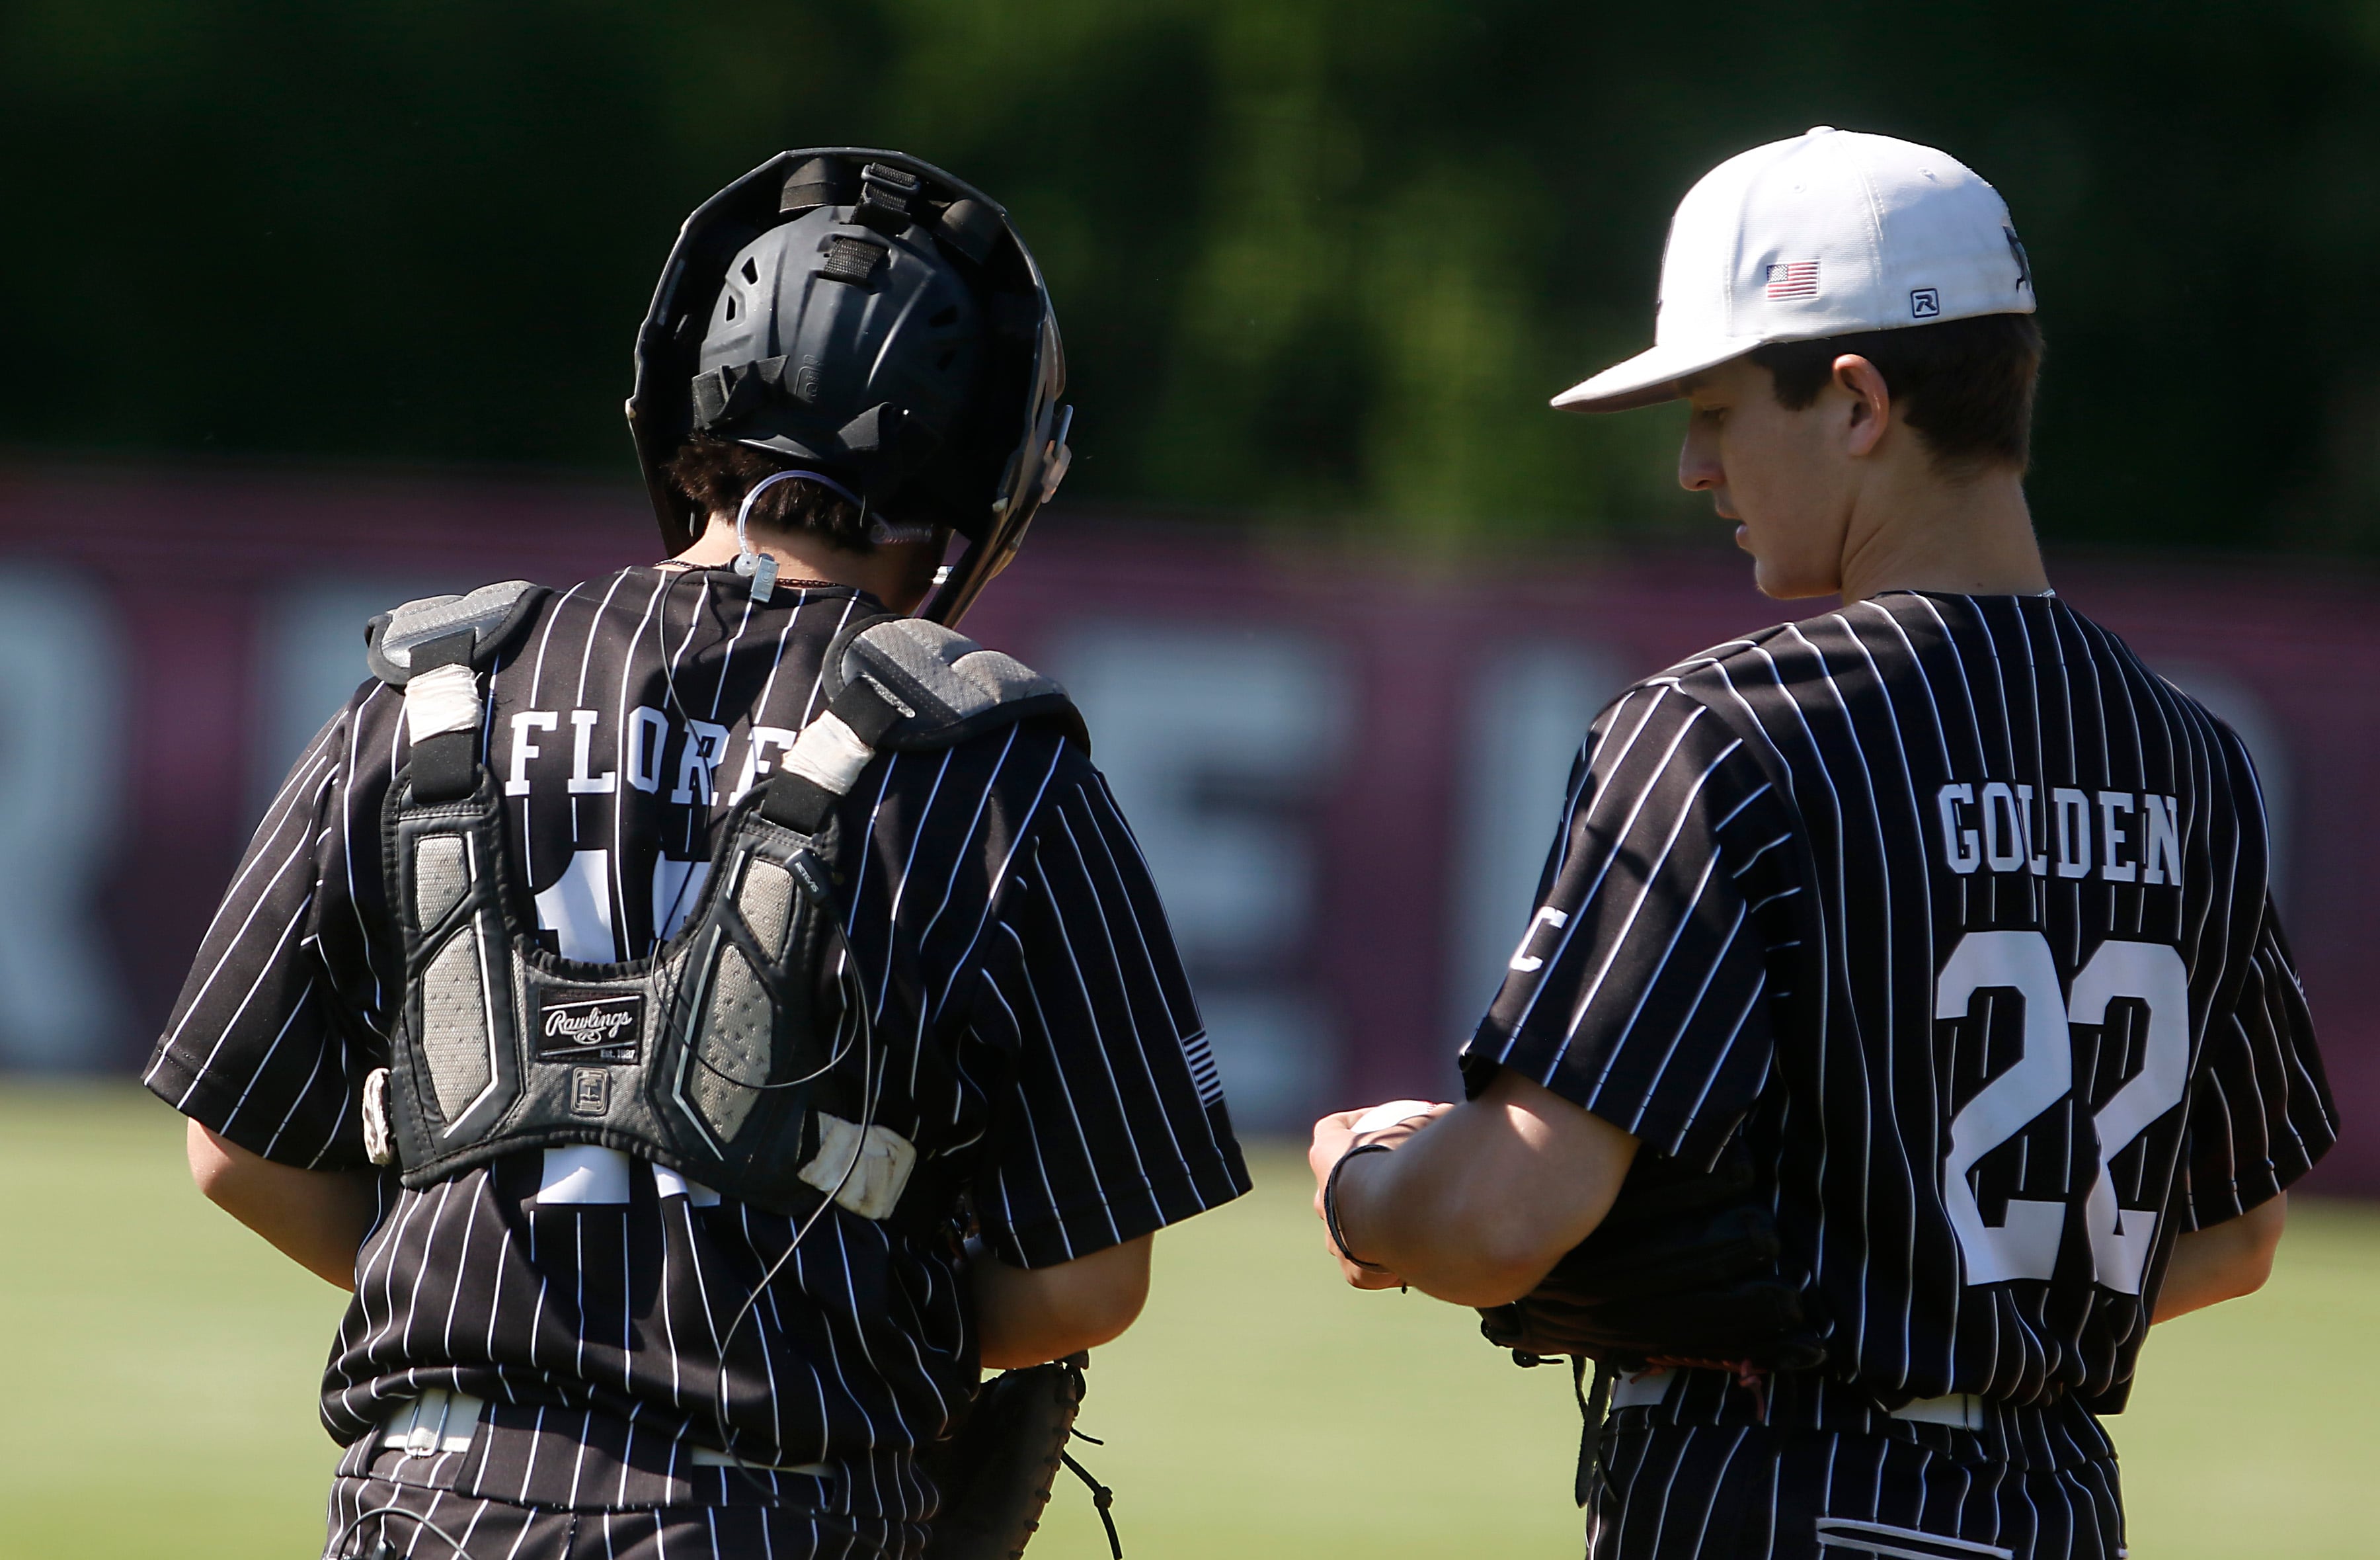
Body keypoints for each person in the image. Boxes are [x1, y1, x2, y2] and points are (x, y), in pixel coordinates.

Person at [147, 148, 1250, 1560]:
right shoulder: (999, 764)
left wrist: (512, 1314)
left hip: (430, 1501)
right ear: (990, 480)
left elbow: (235, 1145)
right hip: (771, 1507)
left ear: (680, 409)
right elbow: (1092, 1276)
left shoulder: (434, 689)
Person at [1309, 127, 2336, 1559]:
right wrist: (1949, 1303)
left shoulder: (1722, 731)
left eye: (1719, 409)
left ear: (1857, 400)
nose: (1691, 466)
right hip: (2053, 1511)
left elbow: (1497, 1213)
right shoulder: (2192, 756)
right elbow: (2233, 1233)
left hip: (1779, 1496)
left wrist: (1364, 1181)